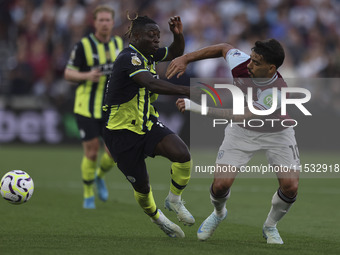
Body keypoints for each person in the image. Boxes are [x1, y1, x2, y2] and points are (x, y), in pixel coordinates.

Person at [167, 39, 301, 244]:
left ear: (271, 68)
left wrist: (197, 108)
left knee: (290, 186)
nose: (249, 64)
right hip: (242, 133)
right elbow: (223, 48)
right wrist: (186, 58)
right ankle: (219, 213)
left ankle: (270, 226)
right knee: (220, 185)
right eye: (252, 58)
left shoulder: (278, 91)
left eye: (256, 62)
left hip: (277, 133)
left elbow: (243, 115)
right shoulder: (241, 63)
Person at [103, 15, 195, 238]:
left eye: (158, 36)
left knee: (182, 154)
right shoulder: (129, 58)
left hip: (147, 123)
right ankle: (158, 218)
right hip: (121, 132)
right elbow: (150, 83)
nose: (156, 40)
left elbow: (174, 52)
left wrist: (178, 34)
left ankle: (174, 200)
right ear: (135, 37)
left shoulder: (149, 55)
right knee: (142, 187)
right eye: (151, 36)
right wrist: (187, 91)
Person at [64, 5, 123, 209]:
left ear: (113, 23)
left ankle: (99, 176)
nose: (105, 23)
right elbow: (68, 73)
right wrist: (86, 75)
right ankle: (88, 192)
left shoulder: (118, 44)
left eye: (108, 20)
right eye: (101, 20)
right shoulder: (83, 46)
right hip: (86, 107)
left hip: (110, 109)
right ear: (95, 23)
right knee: (91, 152)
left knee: (114, 153)